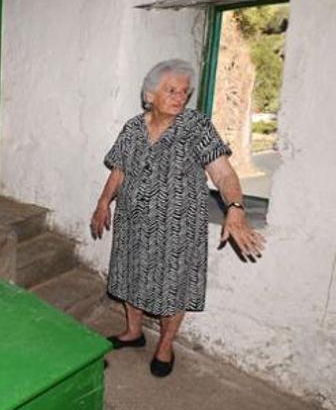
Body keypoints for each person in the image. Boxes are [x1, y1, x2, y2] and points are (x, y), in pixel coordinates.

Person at [90, 59, 265, 378]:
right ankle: (133, 332)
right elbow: (120, 168)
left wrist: (236, 209)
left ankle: (165, 345)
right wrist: (104, 202)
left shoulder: (196, 127)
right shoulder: (132, 127)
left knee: (174, 286)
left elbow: (224, 175)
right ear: (149, 95)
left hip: (178, 229)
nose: (179, 96)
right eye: (171, 90)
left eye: (184, 91)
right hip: (132, 223)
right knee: (130, 276)